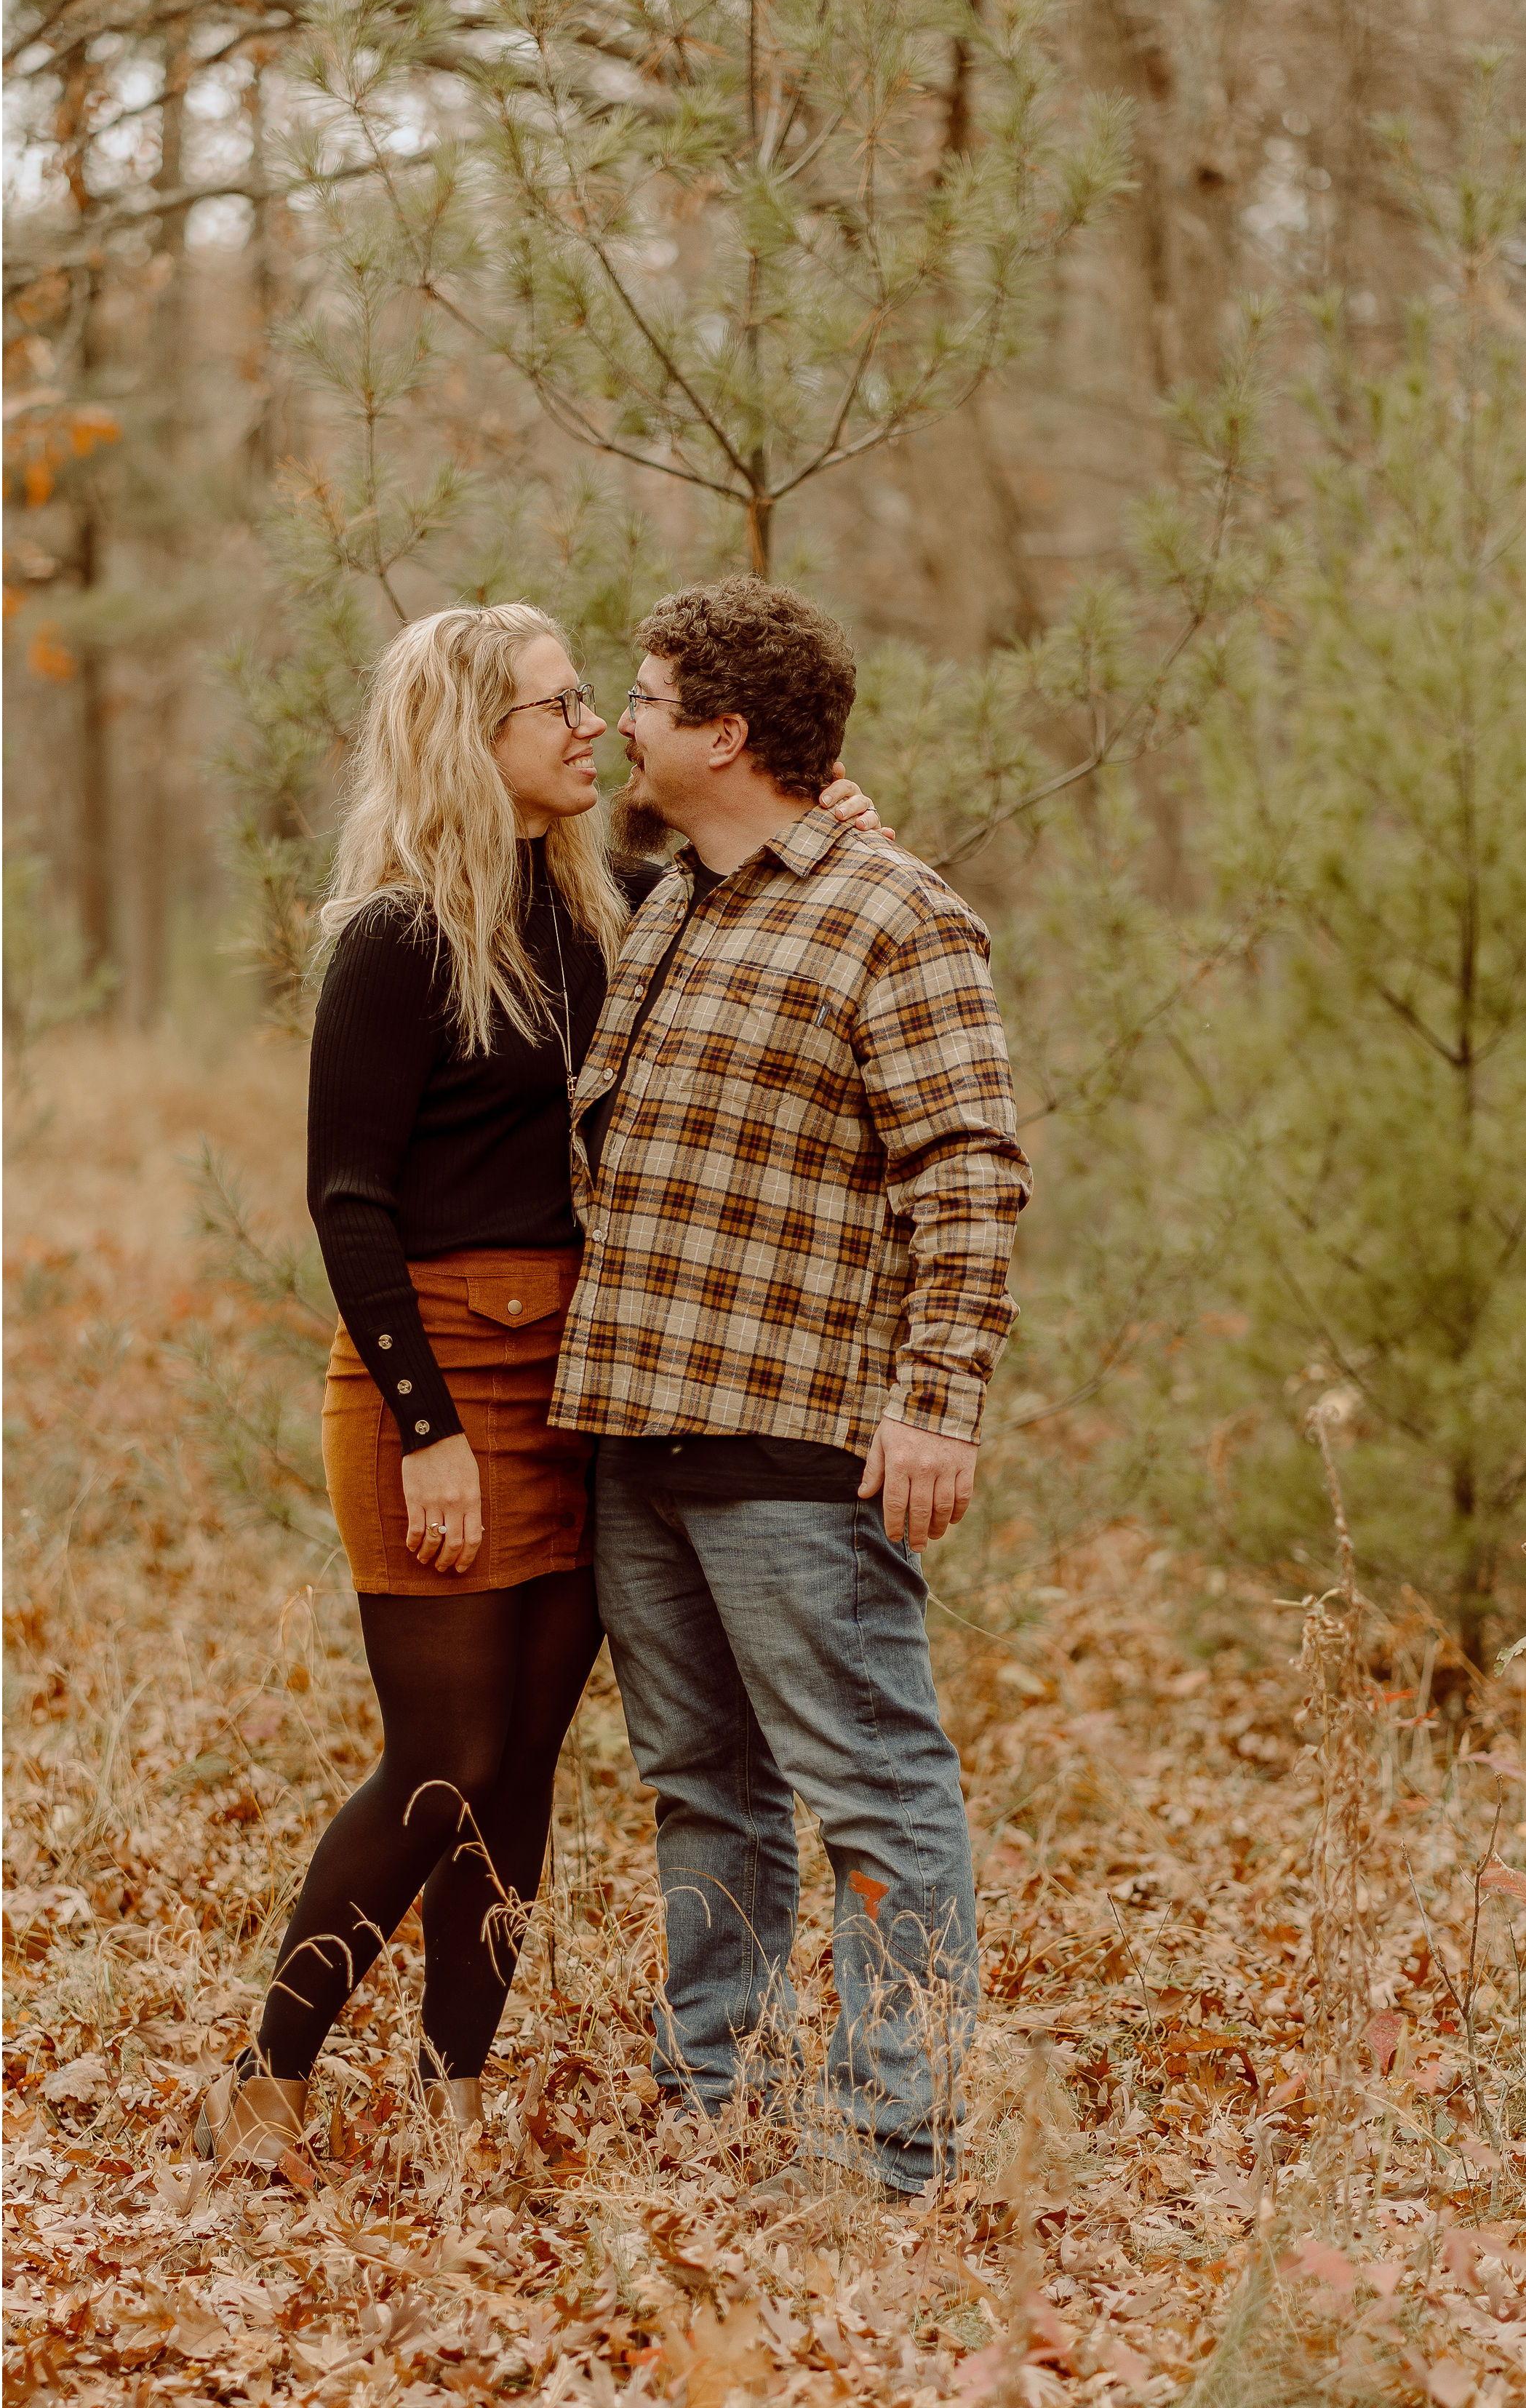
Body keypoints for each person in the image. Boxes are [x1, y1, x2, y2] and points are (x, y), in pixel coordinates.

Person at [195, 601, 887, 2175]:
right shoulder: (394, 941)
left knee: (518, 1766)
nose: (593, 727)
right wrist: (429, 1430)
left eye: (593, 700)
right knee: (444, 1757)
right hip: (432, 1374)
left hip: (581, 1373)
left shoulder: (612, 905)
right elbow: (347, 1201)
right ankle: (263, 2077)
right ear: (471, 740)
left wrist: (840, 826)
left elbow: (765, 887)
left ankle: (454, 2099)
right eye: (556, 707)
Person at [548, 577, 1031, 2204]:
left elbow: (967, 1168)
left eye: (643, 696)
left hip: (797, 1449)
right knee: (703, 1789)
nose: (620, 721)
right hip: (638, 1428)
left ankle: (900, 2147)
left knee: (873, 1792)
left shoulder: (897, 917)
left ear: (727, 734)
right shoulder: (673, 900)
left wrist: (940, 1399)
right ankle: (715, 2105)